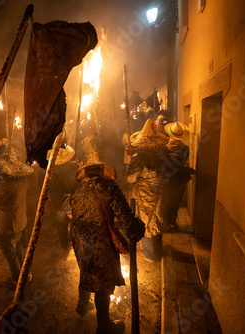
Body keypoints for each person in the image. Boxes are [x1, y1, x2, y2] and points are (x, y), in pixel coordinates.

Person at [70, 162, 145, 333]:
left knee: (86, 270)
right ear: (103, 173)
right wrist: (138, 227)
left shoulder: (78, 189)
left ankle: (82, 306)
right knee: (102, 282)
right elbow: (125, 216)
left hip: (79, 238)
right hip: (100, 240)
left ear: (87, 175)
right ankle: (104, 326)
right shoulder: (109, 187)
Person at [0, 143, 34, 287]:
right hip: (21, 220)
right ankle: (26, 273)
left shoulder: (7, 182)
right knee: (19, 248)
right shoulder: (23, 178)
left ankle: (17, 280)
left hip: (9, 224)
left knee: (11, 254)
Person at [126, 118, 169, 262]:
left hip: (144, 195)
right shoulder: (163, 154)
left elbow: (131, 178)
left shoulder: (139, 157)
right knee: (156, 219)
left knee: (145, 222)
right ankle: (158, 250)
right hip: (158, 192)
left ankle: (151, 255)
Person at [47, 144, 79, 250]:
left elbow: (46, 187)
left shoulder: (49, 170)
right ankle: (75, 245)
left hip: (57, 203)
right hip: (72, 202)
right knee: (75, 225)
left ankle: (64, 246)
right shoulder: (75, 166)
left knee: (61, 227)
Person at [163, 121, 195, 228]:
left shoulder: (164, 147)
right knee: (175, 200)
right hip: (179, 179)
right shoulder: (185, 148)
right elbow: (185, 160)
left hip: (166, 178)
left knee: (166, 200)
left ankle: (165, 221)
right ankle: (172, 221)